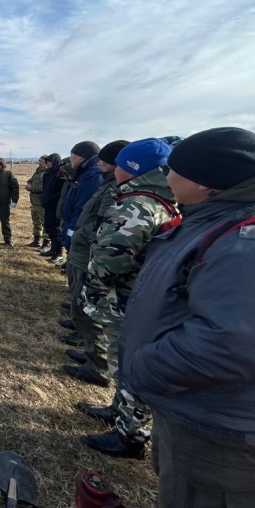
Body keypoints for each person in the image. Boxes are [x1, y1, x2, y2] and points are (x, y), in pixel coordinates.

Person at [119, 127, 255, 504]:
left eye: (173, 170)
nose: (166, 177)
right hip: (192, 412)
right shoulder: (209, 222)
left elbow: (233, 343)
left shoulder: (245, 242)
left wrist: (143, 367)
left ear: (202, 181)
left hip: (221, 437)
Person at [76, 138, 177, 459]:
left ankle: (130, 436)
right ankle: (119, 411)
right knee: (125, 362)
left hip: (126, 300)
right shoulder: (156, 199)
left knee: (130, 365)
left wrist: (90, 287)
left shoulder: (136, 205)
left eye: (121, 163)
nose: (115, 168)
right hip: (139, 297)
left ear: (133, 169)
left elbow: (109, 262)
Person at [63, 140, 129, 380]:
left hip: (91, 253)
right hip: (84, 249)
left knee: (89, 305)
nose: (100, 162)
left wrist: (77, 233)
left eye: (105, 159)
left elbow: (102, 222)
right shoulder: (107, 182)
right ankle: (93, 355)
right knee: (82, 302)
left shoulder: (106, 184)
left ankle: (98, 366)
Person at [40, 154, 64, 256]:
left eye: (49, 162)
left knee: (55, 228)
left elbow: (62, 191)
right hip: (48, 205)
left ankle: (58, 252)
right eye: (47, 161)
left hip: (55, 206)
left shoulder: (60, 173)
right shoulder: (48, 173)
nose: (47, 163)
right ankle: (53, 249)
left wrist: (51, 198)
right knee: (49, 227)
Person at [25, 156, 48, 247]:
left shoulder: (46, 173)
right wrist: (28, 184)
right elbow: (30, 180)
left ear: (46, 162)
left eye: (41, 161)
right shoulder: (37, 172)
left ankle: (46, 242)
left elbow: (45, 187)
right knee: (36, 222)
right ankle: (37, 239)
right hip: (34, 201)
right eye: (39, 161)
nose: (39, 162)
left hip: (41, 202)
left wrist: (32, 188)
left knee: (44, 222)